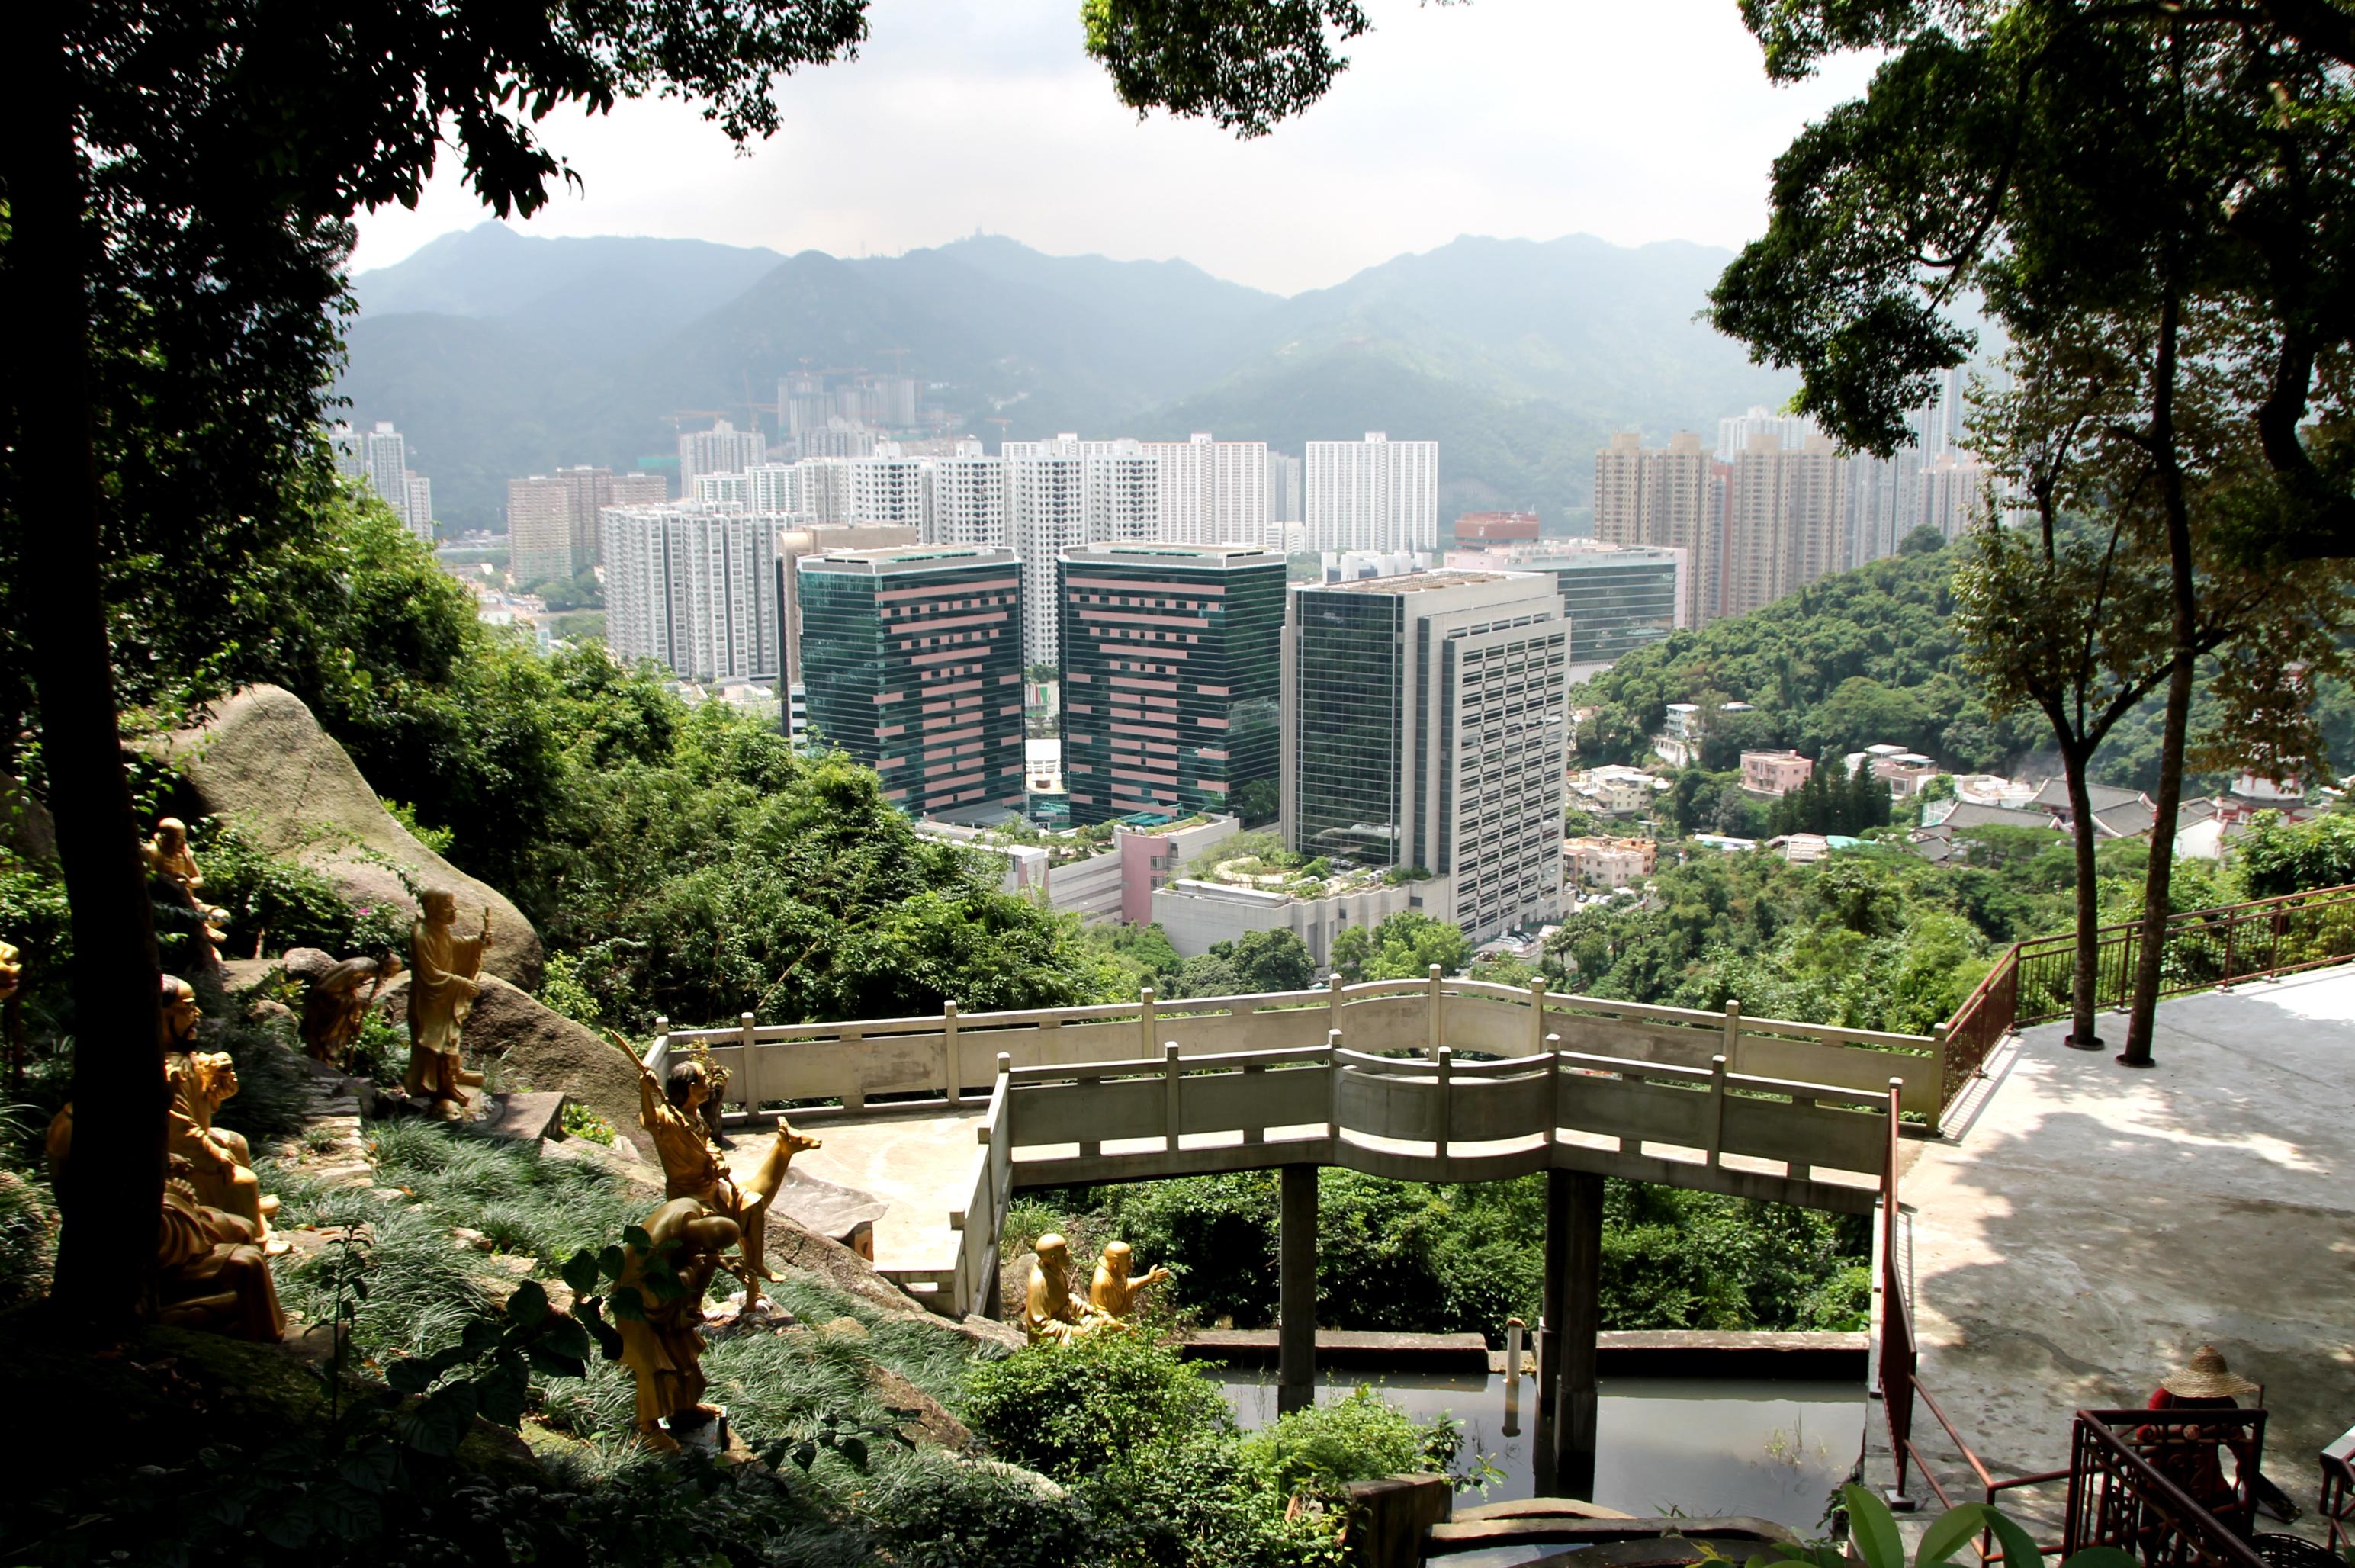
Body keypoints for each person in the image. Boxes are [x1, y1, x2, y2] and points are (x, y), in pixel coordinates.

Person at [635, 1052, 813, 1306]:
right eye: (704, 1080)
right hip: (689, 1199)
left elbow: (707, 1143)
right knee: (711, 1245)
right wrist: (645, 1089)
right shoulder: (669, 1119)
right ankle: (695, 1301)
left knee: (753, 1201)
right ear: (689, 1087)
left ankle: (756, 1263)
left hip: (713, 1188)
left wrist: (717, 1160)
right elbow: (649, 1121)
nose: (709, 1084)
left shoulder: (697, 1119)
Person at [2138, 1345, 2263, 1528]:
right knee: (2150, 1537)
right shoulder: (2167, 1397)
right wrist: (2179, 1430)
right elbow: (2144, 1433)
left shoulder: (2225, 1404)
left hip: (2207, 1481)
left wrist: (2251, 1478)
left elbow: (2241, 1446)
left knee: (2233, 1533)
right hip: (2164, 1480)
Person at [406, 890, 489, 1114]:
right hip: (430, 1002)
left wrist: (477, 943)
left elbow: (453, 947)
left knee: (451, 1039)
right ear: (432, 909)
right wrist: (462, 983)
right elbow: (430, 973)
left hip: (444, 1001)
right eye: (447, 905)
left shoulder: (440, 930)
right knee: (436, 1047)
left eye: (453, 905)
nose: (454, 910)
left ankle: (454, 1075)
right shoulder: (421, 934)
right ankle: (443, 1091)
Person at [1088, 1240, 1170, 1322]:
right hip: (1108, 1326)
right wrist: (1116, 1325)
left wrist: (1149, 1278)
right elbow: (1098, 1312)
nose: (1132, 1261)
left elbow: (1127, 1286)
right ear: (1116, 1264)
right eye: (1128, 1259)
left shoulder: (1117, 1272)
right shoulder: (1101, 1282)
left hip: (1121, 1320)